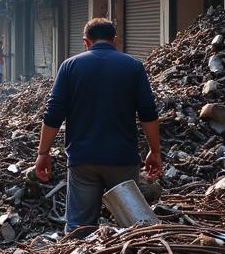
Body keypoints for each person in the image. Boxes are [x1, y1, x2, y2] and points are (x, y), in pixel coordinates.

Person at [35, 17, 162, 234]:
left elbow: (54, 113)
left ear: (86, 41)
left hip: (83, 161)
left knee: (79, 230)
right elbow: (148, 113)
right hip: (122, 159)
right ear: (115, 40)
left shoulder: (70, 67)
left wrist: (43, 152)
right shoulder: (133, 67)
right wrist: (155, 151)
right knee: (134, 229)